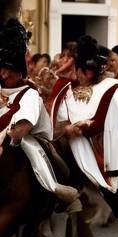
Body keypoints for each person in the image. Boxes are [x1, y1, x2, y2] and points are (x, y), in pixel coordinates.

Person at [51, 35, 118, 237]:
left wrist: (83, 128)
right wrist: (66, 129)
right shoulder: (67, 89)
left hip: (102, 147)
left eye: (86, 70)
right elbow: (58, 117)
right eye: (81, 70)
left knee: (114, 195)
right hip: (72, 142)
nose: (82, 75)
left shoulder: (112, 87)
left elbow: (105, 118)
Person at [0, 18, 80, 213]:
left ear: (19, 70)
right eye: (1, 68)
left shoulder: (30, 94)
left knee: (33, 148)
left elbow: (21, 129)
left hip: (27, 138)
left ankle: (57, 191)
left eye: (9, 69)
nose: (3, 74)